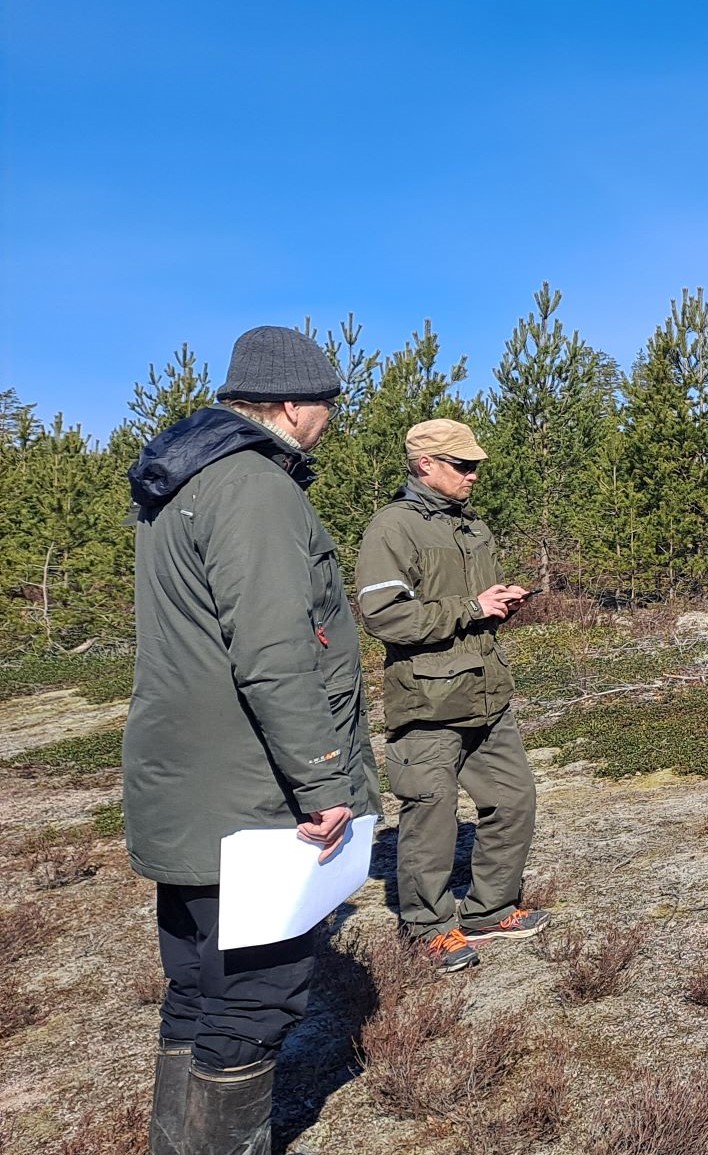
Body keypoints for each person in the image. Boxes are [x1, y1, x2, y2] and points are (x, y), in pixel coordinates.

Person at [123, 325, 381, 1155]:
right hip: (251, 791)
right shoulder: (258, 490)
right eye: (329, 405)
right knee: (256, 998)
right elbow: (273, 651)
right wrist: (322, 781)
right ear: (294, 406)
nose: (331, 420)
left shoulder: (179, 484)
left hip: (186, 783)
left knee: (197, 985)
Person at [355, 418, 548, 972]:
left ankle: (491, 910)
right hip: (427, 703)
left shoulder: (473, 528)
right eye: (462, 465)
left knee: (513, 800)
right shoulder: (392, 528)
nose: (473, 475)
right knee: (431, 816)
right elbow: (385, 615)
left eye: (475, 465)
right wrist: (470, 608)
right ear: (424, 465)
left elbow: (472, 606)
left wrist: (498, 603)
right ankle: (428, 928)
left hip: (489, 695)